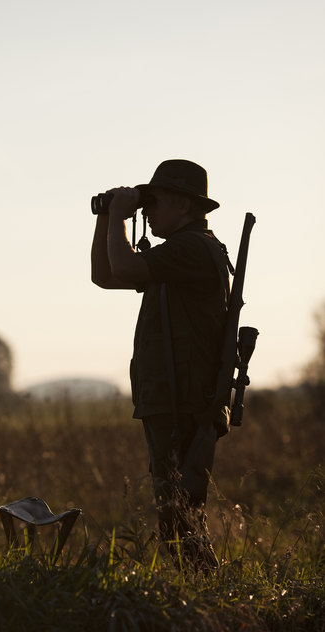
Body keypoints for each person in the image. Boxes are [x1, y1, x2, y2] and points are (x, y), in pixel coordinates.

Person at [91, 160, 231, 570]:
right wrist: (107, 219)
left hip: (182, 397)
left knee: (180, 513)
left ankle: (208, 590)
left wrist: (119, 215)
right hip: (171, 394)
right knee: (178, 512)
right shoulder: (181, 252)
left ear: (183, 204)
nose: (147, 212)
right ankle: (207, 587)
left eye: (154, 202)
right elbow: (105, 274)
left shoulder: (192, 248)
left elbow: (124, 266)